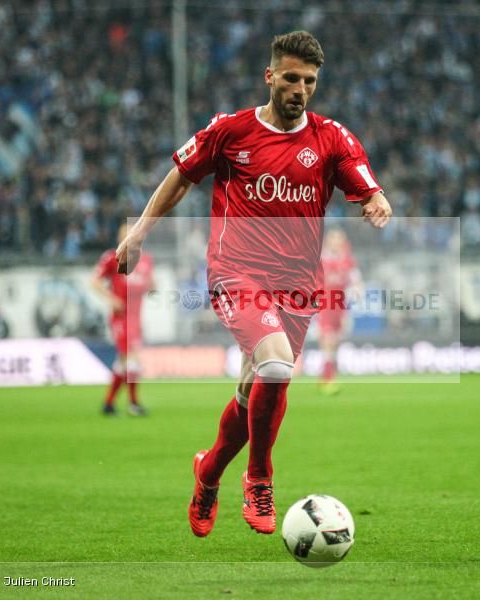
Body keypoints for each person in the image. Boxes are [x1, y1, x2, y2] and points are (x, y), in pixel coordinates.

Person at [116, 31, 392, 537]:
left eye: (309, 81)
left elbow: (366, 183)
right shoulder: (231, 131)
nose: (300, 89)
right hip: (235, 273)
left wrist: (376, 201)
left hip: (298, 286)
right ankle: (259, 479)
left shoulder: (332, 138)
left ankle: (208, 473)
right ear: (270, 77)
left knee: (254, 391)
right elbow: (180, 176)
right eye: (291, 78)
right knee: (275, 363)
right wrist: (138, 234)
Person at [92, 223, 154, 415]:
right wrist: (111, 299)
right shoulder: (112, 257)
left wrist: (152, 286)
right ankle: (133, 403)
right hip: (120, 318)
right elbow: (95, 282)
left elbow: (151, 286)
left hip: (136, 318)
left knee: (122, 363)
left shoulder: (145, 260)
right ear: (120, 237)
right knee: (132, 359)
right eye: (125, 233)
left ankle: (108, 404)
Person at [316, 228, 360, 395]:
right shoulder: (320, 259)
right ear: (328, 240)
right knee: (328, 339)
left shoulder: (347, 260)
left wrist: (356, 289)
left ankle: (327, 374)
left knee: (335, 342)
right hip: (325, 304)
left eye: (340, 238)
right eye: (334, 238)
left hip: (341, 307)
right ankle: (328, 378)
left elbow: (355, 279)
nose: (337, 241)